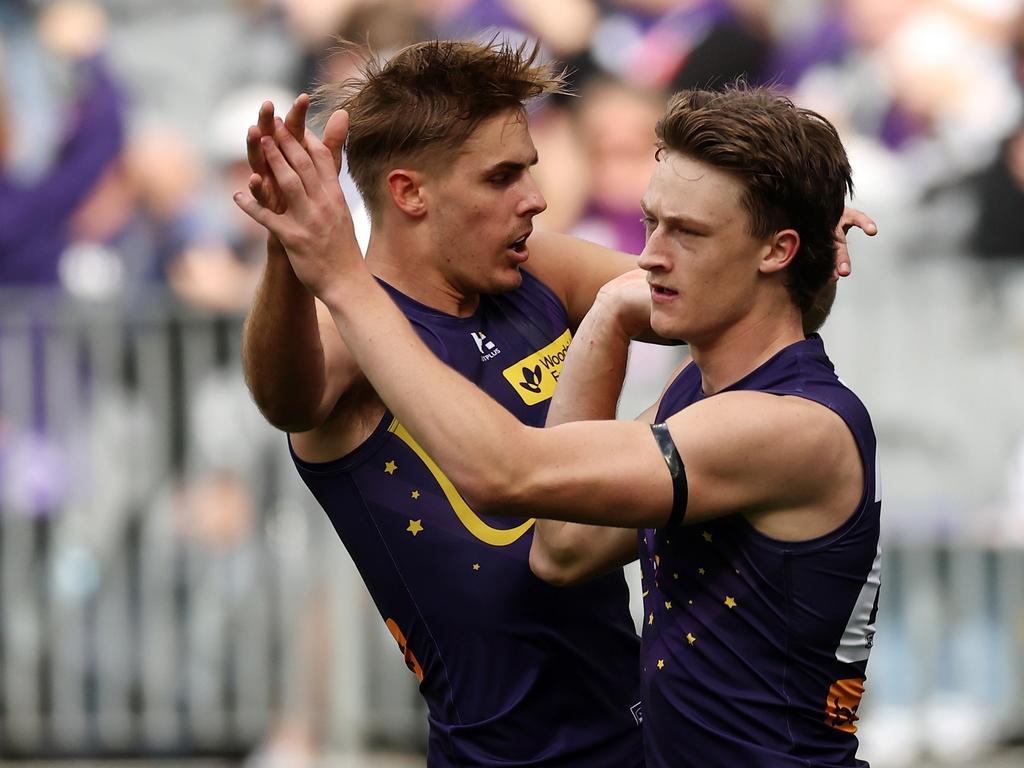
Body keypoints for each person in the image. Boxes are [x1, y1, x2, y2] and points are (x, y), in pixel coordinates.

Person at [235, 76, 881, 767]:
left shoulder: (780, 425)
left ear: (777, 251)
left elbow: (509, 473)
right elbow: (564, 548)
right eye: (652, 224)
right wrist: (610, 313)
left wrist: (338, 275)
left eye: (687, 231)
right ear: (409, 192)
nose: (649, 257)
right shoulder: (704, 393)